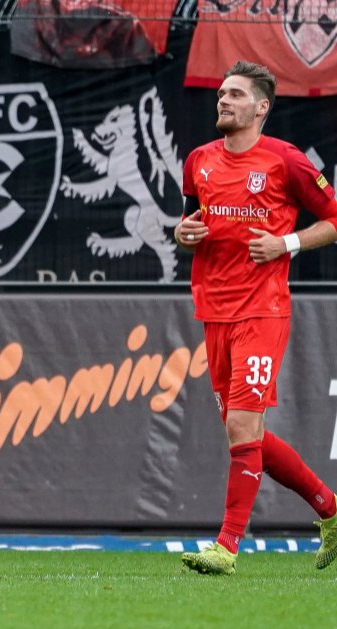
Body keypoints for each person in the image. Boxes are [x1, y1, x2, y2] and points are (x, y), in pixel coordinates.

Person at [175, 60, 337, 575]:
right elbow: (190, 219)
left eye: (236, 95)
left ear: (261, 107)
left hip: (262, 310)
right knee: (245, 433)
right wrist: (183, 233)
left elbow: (334, 219)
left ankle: (226, 547)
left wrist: (287, 242)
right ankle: (331, 510)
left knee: (244, 424)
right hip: (213, 311)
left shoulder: (284, 162)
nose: (223, 100)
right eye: (221, 93)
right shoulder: (198, 160)